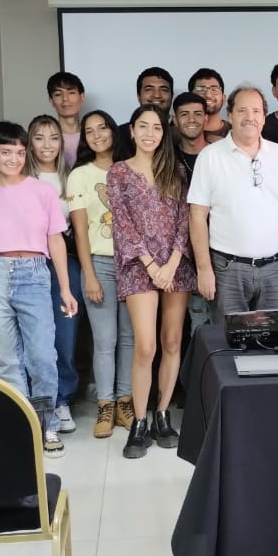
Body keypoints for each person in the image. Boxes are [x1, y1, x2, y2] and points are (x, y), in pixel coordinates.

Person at [0, 121, 78, 457]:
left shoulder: (42, 191)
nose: (14, 159)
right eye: (6, 152)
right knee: (7, 359)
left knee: (42, 356)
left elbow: (55, 240)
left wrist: (65, 288)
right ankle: (22, 427)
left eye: (20, 152)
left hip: (34, 273)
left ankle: (47, 426)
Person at [106, 104, 196, 459]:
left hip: (176, 266)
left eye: (156, 127)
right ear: (131, 130)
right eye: (142, 126)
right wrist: (150, 264)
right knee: (145, 347)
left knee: (172, 341)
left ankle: (162, 415)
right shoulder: (118, 172)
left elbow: (185, 219)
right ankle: (139, 421)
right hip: (137, 266)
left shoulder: (176, 170)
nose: (149, 133)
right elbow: (122, 223)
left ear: (164, 132)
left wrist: (171, 263)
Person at [189, 87, 278, 317]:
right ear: (230, 115)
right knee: (228, 336)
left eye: (256, 111)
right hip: (228, 270)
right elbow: (197, 216)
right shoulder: (210, 156)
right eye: (242, 110)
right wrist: (203, 269)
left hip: (275, 268)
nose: (249, 117)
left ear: (263, 117)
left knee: (271, 336)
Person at [69, 110, 135, 438]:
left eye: (103, 128)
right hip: (100, 264)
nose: (97, 135)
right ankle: (105, 404)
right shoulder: (79, 175)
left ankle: (125, 401)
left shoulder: (130, 168)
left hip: (134, 264)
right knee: (105, 340)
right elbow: (80, 232)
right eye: (89, 131)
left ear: (113, 131)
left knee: (130, 338)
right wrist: (90, 274)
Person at [27, 114, 81, 435]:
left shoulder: (71, 177)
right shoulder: (21, 177)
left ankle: (63, 398)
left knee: (65, 333)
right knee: (35, 336)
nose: (47, 145)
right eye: (39, 137)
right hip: (30, 263)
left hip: (66, 261)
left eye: (53, 137)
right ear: (29, 143)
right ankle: (36, 399)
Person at [173, 92, 213, 332]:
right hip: (177, 255)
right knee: (185, 328)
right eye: (184, 114)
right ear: (174, 120)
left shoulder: (220, 154)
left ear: (206, 119)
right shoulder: (166, 157)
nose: (191, 119)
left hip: (218, 250)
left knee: (216, 323)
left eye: (198, 114)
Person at [117, 67, 173, 143]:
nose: (157, 95)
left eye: (163, 90)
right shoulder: (119, 135)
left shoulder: (183, 132)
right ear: (138, 96)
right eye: (149, 89)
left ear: (171, 96)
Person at [46, 71, 86, 167]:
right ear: (51, 101)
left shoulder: (93, 135)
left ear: (82, 97)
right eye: (58, 94)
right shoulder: (44, 138)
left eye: (71, 93)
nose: (65, 99)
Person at [189, 68, 231, 144]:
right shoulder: (179, 131)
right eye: (201, 89)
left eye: (214, 89)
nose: (208, 95)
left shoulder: (236, 132)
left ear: (223, 98)